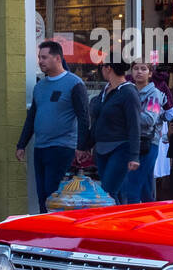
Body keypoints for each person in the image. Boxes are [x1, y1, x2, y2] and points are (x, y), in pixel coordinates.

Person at [16, 41, 91, 213]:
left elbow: (84, 117)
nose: (40, 61)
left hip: (62, 146)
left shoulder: (74, 83)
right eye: (39, 57)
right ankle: (45, 234)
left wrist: (81, 147)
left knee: (53, 194)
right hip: (40, 146)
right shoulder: (40, 86)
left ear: (57, 58)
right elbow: (32, 117)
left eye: (44, 57)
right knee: (42, 195)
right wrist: (21, 144)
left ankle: (57, 235)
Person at [80, 62, 140, 203]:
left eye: (102, 67)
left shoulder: (128, 92)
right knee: (112, 193)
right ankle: (121, 223)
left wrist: (134, 155)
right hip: (101, 148)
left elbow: (134, 124)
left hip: (121, 148)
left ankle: (111, 224)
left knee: (107, 192)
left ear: (108, 68)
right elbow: (97, 121)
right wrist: (86, 146)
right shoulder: (106, 90)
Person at [127, 61, 169, 203]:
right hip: (133, 142)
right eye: (136, 69)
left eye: (143, 69)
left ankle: (132, 221)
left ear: (150, 73)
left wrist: (126, 115)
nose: (139, 72)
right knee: (145, 189)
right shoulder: (129, 90)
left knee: (132, 187)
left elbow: (149, 119)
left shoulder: (154, 94)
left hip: (148, 144)